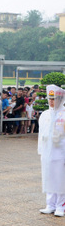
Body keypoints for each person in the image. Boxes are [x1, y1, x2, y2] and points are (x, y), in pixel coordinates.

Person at [37, 85, 65, 217]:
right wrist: (41, 150)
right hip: (48, 152)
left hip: (61, 153)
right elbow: (41, 133)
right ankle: (50, 204)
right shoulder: (45, 115)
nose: (52, 101)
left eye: (55, 98)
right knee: (49, 178)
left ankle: (60, 206)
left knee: (60, 179)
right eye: (50, 98)